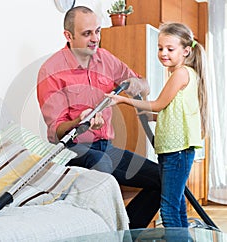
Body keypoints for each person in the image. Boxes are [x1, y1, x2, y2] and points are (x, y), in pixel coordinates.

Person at [37, 6, 161, 229]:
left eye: (98, 31)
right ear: (68, 36)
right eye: (87, 34)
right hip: (73, 151)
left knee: (163, 178)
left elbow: (145, 85)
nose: (95, 39)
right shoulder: (51, 71)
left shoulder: (105, 59)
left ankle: (126, 233)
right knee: (102, 166)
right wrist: (80, 123)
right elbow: (56, 132)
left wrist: (136, 83)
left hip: (107, 148)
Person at [106, 22, 208, 228]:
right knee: (177, 203)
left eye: (170, 49)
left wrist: (125, 101)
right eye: (160, 48)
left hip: (176, 151)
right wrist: (149, 116)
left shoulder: (181, 73)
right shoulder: (184, 73)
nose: (163, 53)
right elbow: (172, 111)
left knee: (168, 208)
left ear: (186, 51)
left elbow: (159, 104)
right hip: (173, 150)